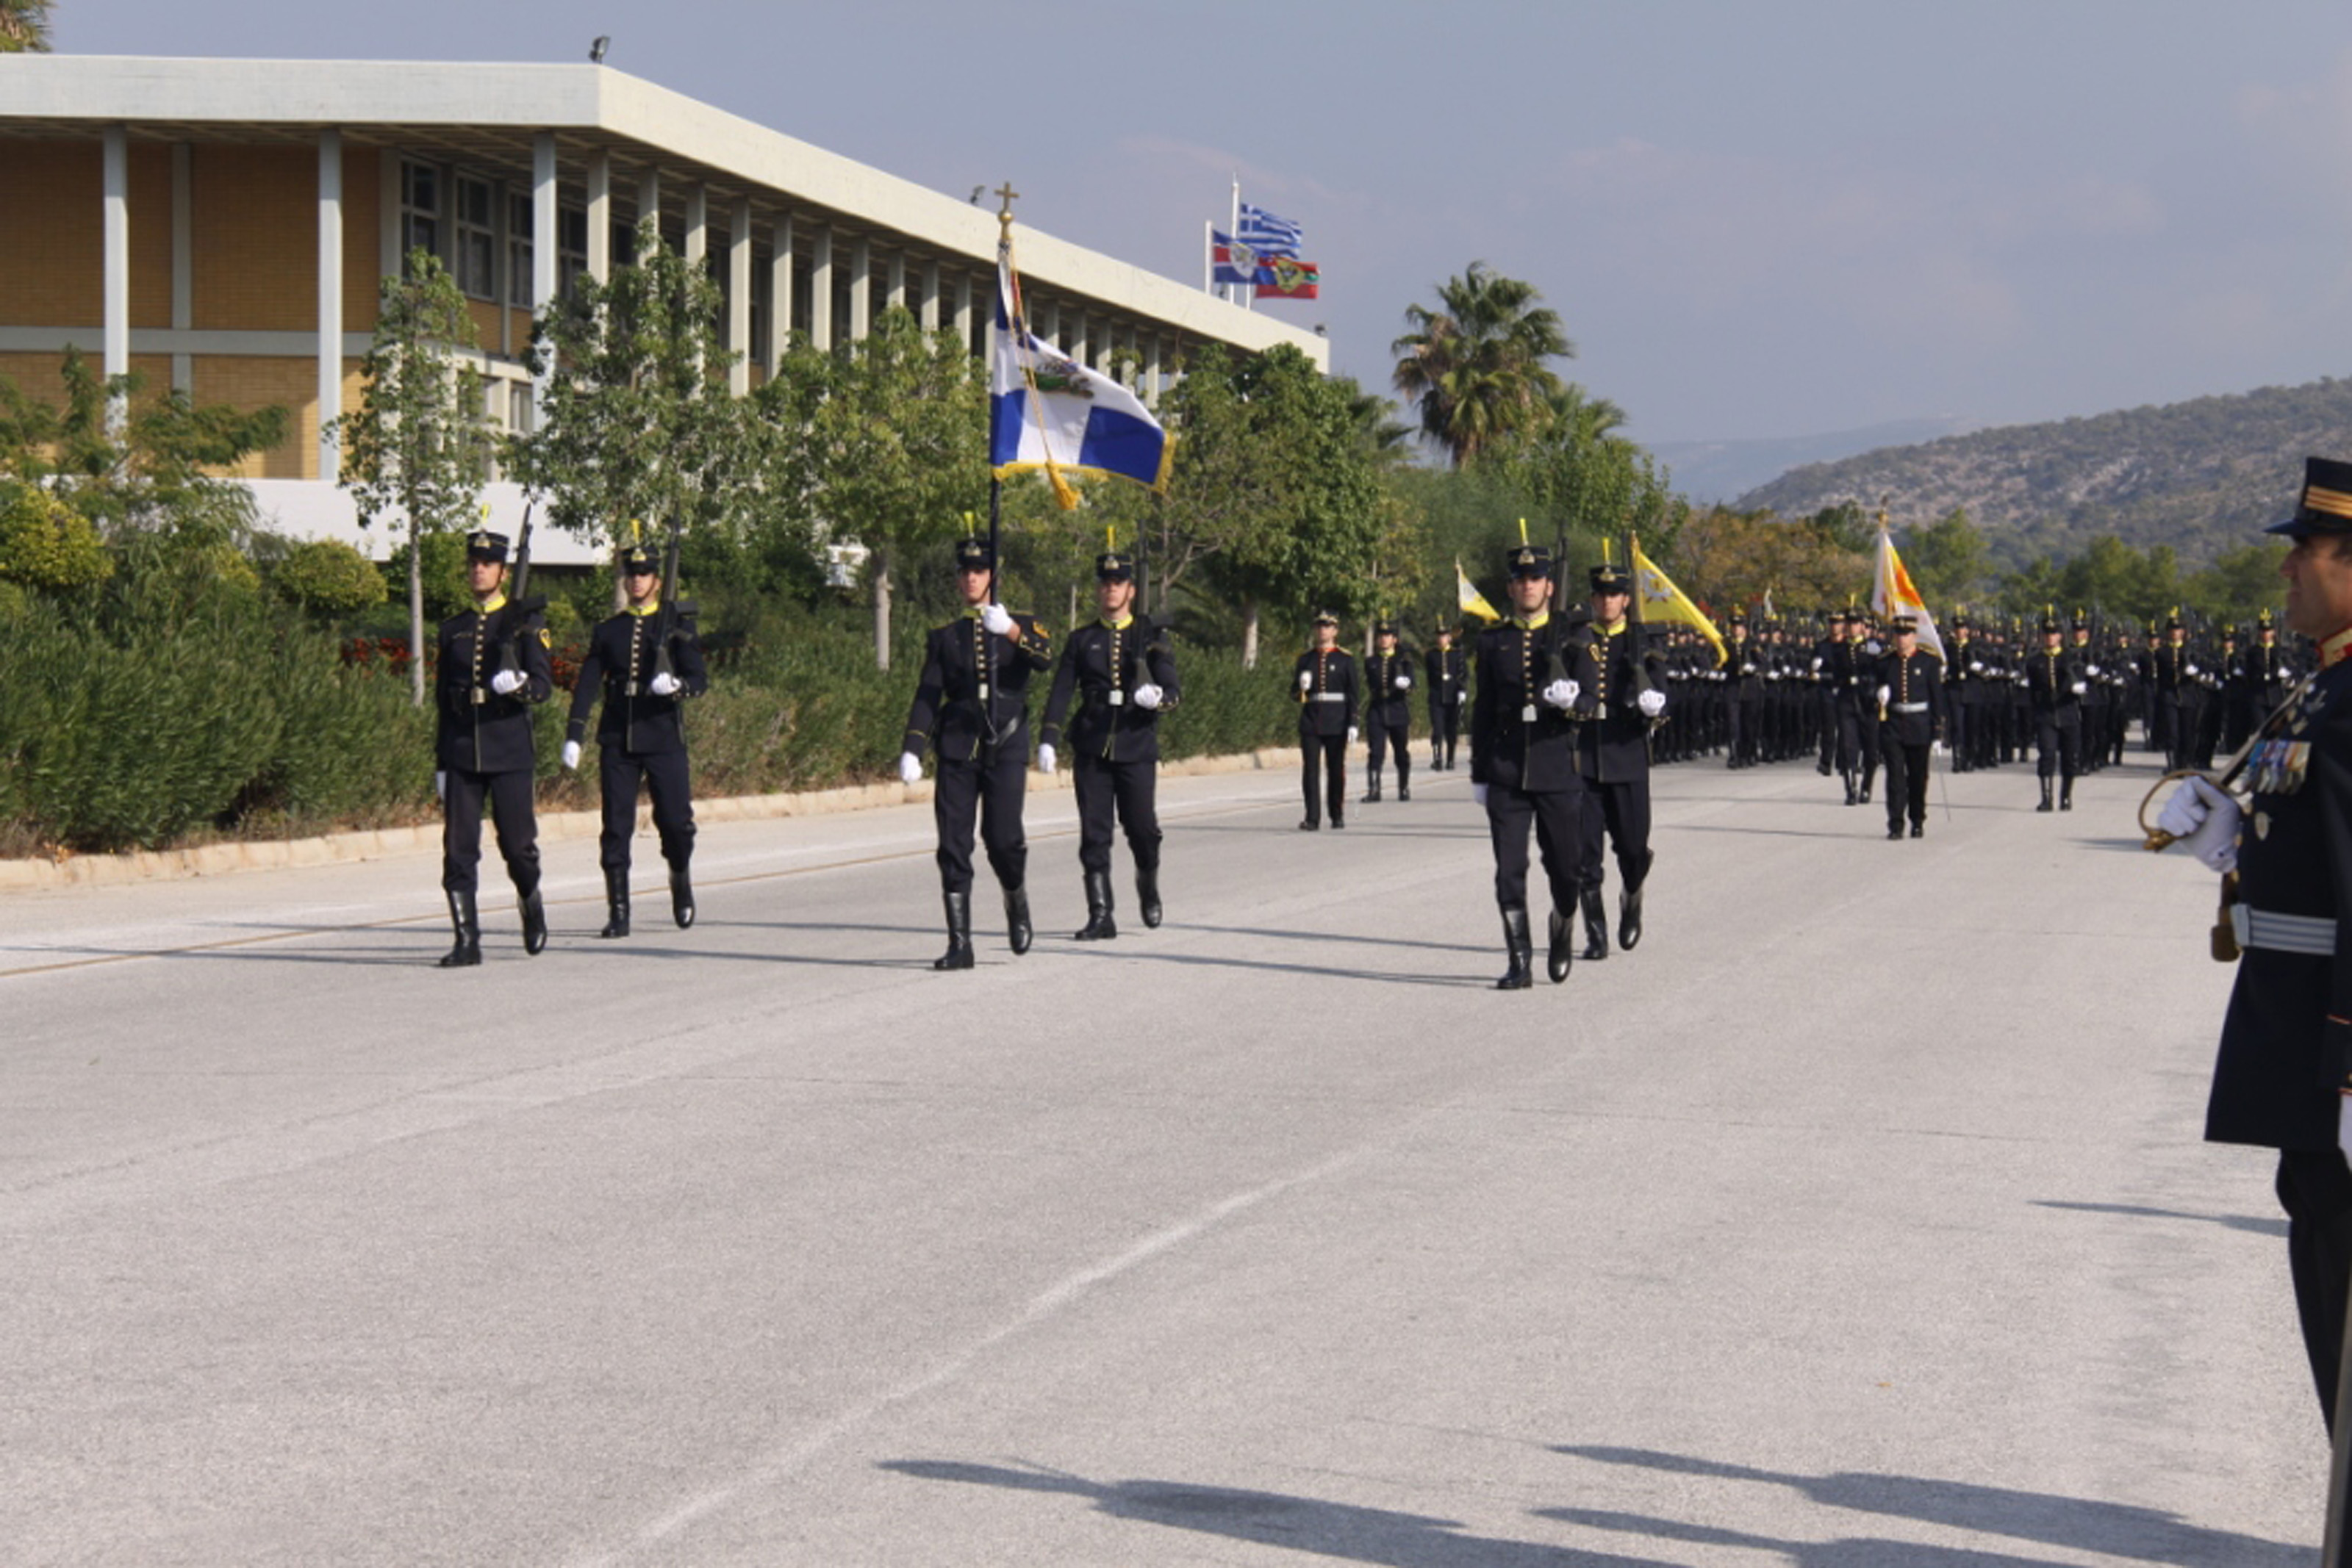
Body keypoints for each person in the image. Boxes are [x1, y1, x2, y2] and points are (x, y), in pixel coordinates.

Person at [2159, 456, 2352, 1436]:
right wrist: (2232, 836)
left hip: (2333, 1046)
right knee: (2322, 1254)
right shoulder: (2322, 691)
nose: (2287, 574)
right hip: (2296, 1032)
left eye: (2305, 554)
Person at [898, 536, 1055, 971]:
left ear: (993, 577)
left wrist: (1010, 630)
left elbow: (1044, 658)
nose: (971, 578)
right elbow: (928, 695)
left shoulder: (1019, 623)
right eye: (965, 572)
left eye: (980, 571)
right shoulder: (946, 637)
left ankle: (1015, 896)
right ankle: (960, 943)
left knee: (1003, 839)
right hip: (957, 745)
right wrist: (913, 746)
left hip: (1004, 742)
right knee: (953, 843)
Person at [561, 542, 708, 937]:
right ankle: (619, 911)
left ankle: (679, 875)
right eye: (632, 574)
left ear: (657, 581)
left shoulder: (677, 623)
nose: (637, 580)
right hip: (618, 736)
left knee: (676, 823)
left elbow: (700, 678)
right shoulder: (610, 631)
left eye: (645, 574)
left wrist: (677, 686)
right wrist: (575, 732)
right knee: (616, 826)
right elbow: (589, 683)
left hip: (662, 734)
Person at [1469, 544, 1598, 988]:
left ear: (1550, 586)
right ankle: (1518, 960)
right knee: (1508, 869)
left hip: (1556, 767)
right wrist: (1479, 772)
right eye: (1521, 580)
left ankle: (1562, 929)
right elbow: (1484, 709)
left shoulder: (1574, 640)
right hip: (1506, 767)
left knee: (1566, 868)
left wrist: (1572, 704)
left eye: (1536, 579)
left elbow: (1593, 703)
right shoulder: (1492, 641)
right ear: (1510, 587)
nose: (1528, 586)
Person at [1039, 548, 1179, 941]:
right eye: (1104, 583)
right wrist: (1049, 737)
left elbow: (1172, 686)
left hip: (1136, 743)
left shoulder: (1150, 635)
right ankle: (1101, 913)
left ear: (1131, 590)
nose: (1110, 589)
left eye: (1117, 583)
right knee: (1094, 832)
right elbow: (1062, 691)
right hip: (1093, 743)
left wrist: (1159, 698)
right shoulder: (1082, 639)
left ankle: (1148, 884)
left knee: (1142, 829)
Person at [432, 528, 553, 967]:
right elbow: (443, 700)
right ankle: (467, 941)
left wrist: (520, 685)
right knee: (458, 847)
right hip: (463, 750)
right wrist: (441, 761)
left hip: (509, 751)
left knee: (518, 846)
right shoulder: (454, 629)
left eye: (487, 564)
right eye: (473, 563)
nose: (478, 569)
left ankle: (530, 897)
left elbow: (543, 687)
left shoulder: (525, 623)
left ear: (503, 571)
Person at [1575, 562, 1668, 957]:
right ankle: (1595, 933)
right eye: (1600, 595)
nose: (1607, 601)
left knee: (1632, 848)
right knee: (1584, 855)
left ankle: (1632, 895)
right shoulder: (1575, 640)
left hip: (1627, 758)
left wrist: (1654, 707)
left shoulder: (1645, 641)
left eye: (1614, 595)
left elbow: (1663, 700)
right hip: (1584, 761)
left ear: (1626, 600)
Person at [1874, 614, 1943, 841]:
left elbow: (1937, 698)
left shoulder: (1928, 662)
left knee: (1917, 777)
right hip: (1893, 724)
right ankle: (1895, 823)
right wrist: (1878, 697)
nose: (1902, 639)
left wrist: (1938, 731)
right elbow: (1871, 692)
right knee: (1895, 777)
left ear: (1914, 636)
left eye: (1906, 635)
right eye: (1898, 635)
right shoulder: (1885, 663)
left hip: (1919, 725)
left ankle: (1917, 819)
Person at [1294, 612, 1360, 830]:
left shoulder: (1345, 659)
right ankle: (1312, 817)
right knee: (1310, 770)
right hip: (1312, 720)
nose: (1323, 630)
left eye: (1328, 626)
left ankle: (1337, 813)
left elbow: (1353, 693)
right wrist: (1301, 688)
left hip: (1337, 720)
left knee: (1335, 769)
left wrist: (1353, 723)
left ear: (1335, 631)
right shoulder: (1306, 659)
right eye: (1320, 626)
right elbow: (1294, 694)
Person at [2023, 611, 2084, 813]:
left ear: (2060, 636)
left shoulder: (2072, 658)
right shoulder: (2034, 661)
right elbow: (2032, 692)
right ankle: (2046, 798)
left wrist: (2079, 689)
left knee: (2070, 757)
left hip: (2068, 713)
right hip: (2046, 714)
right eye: (2047, 634)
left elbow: (2082, 682)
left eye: (2054, 633)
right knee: (2047, 754)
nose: (2050, 637)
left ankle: (2066, 797)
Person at [1360, 620, 1416, 802]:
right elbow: (1372, 684)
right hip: (1377, 709)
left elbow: (1413, 685)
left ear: (1394, 639)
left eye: (1387, 636)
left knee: (1401, 751)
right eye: (1381, 636)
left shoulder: (1404, 661)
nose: (1383, 639)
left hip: (1397, 709)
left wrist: (1405, 686)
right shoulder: (1371, 662)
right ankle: (1374, 789)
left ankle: (1404, 786)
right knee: (1376, 751)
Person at [1427, 622, 1466, 771]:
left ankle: (1450, 759)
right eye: (1439, 636)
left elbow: (1463, 674)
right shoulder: (1431, 655)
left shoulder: (1457, 654)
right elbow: (1430, 677)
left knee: (1452, 730)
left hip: (1453, 696)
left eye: (1444, 636)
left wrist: (1462, 690)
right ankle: (1437, 758)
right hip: (1437, 697)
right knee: (1437, 729)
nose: (1441, 639)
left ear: (1449, 638)